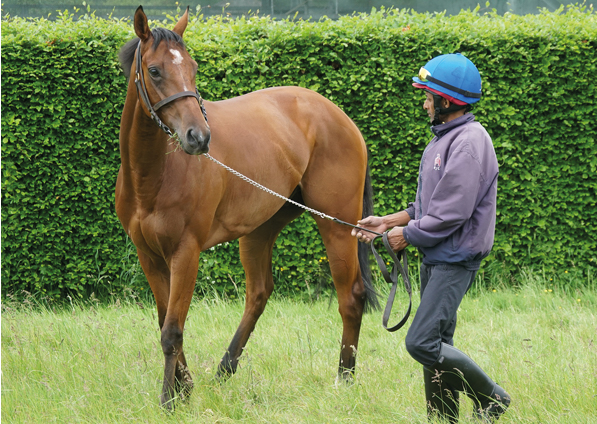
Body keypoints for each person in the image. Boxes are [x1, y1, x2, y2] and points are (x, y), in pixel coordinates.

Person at [352, 53, 511, 422]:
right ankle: (443, 418)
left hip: (454, 258)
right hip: (438, 255)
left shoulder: (470, 142)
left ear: (447, 101)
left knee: (421, 342)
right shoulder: (447, 138)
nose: (424, 104)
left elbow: (451, 213)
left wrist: (404, 236)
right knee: (439, 344)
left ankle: (492, 399)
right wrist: (386, 221)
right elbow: (429, 204)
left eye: (428, 97)